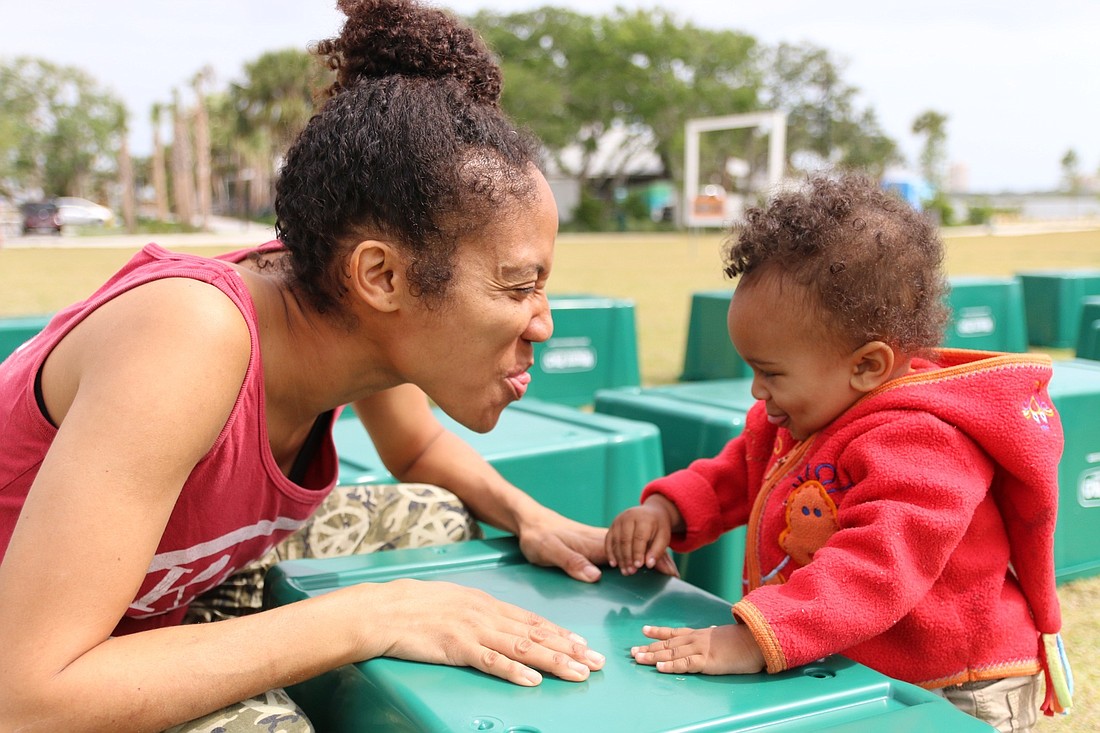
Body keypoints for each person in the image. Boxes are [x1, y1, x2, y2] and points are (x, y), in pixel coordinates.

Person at [0, 1, 610, 730]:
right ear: (381, 275)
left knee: (433, 514)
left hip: (152, 603)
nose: (542, 321)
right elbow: (28, 699)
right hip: (37, 664)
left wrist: (531, 517)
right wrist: (372, 615)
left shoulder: (344, 311)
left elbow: (414, 449)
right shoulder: (188, 337)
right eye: (518, 286)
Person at [605, 174, 1073, 732]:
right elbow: (736, 471)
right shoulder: (805, 413)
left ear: (867, 365)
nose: (757, 391)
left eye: (770, 372)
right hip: (865, 661)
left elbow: (876, 565)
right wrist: (668, 510)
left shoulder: (924, 441)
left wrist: (759, 638)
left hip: (955, 685)